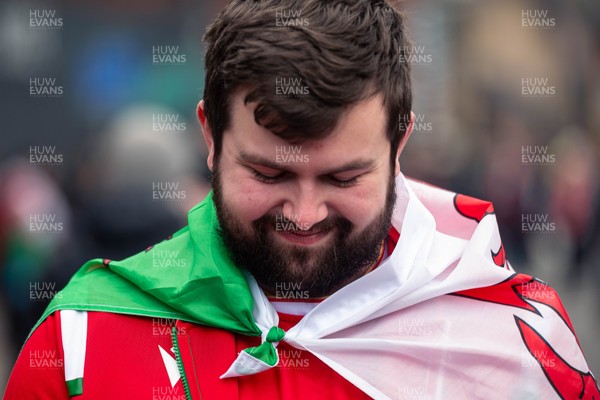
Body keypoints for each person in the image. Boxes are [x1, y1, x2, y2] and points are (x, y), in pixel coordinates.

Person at [4, 1, 598, 399]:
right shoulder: (85, 338)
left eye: (342, 179)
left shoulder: (514, 339)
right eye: (268, 173)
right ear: (210, 136)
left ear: (400, 143)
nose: (304, 214)